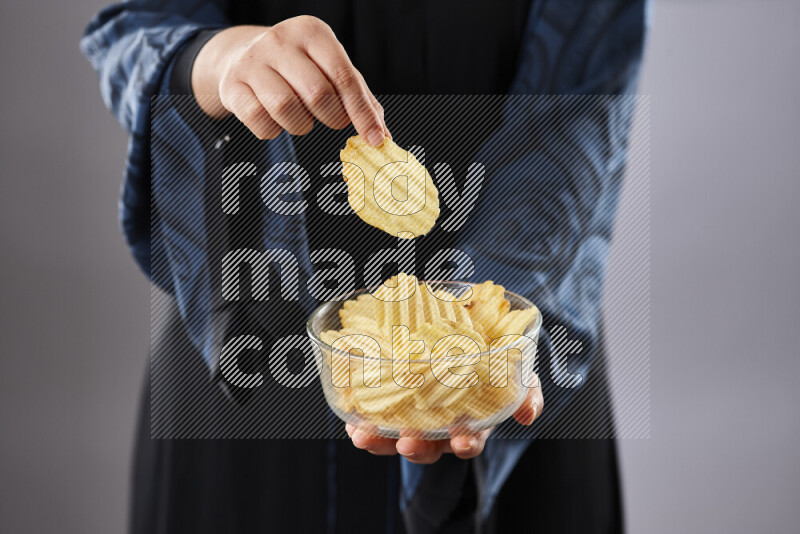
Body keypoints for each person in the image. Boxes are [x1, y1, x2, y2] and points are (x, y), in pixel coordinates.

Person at [82, 1, 646, 532]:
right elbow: (136, 28)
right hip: (250, 374)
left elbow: (589, 63)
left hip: (522, 370)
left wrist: (477, 366)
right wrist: (221, 59)